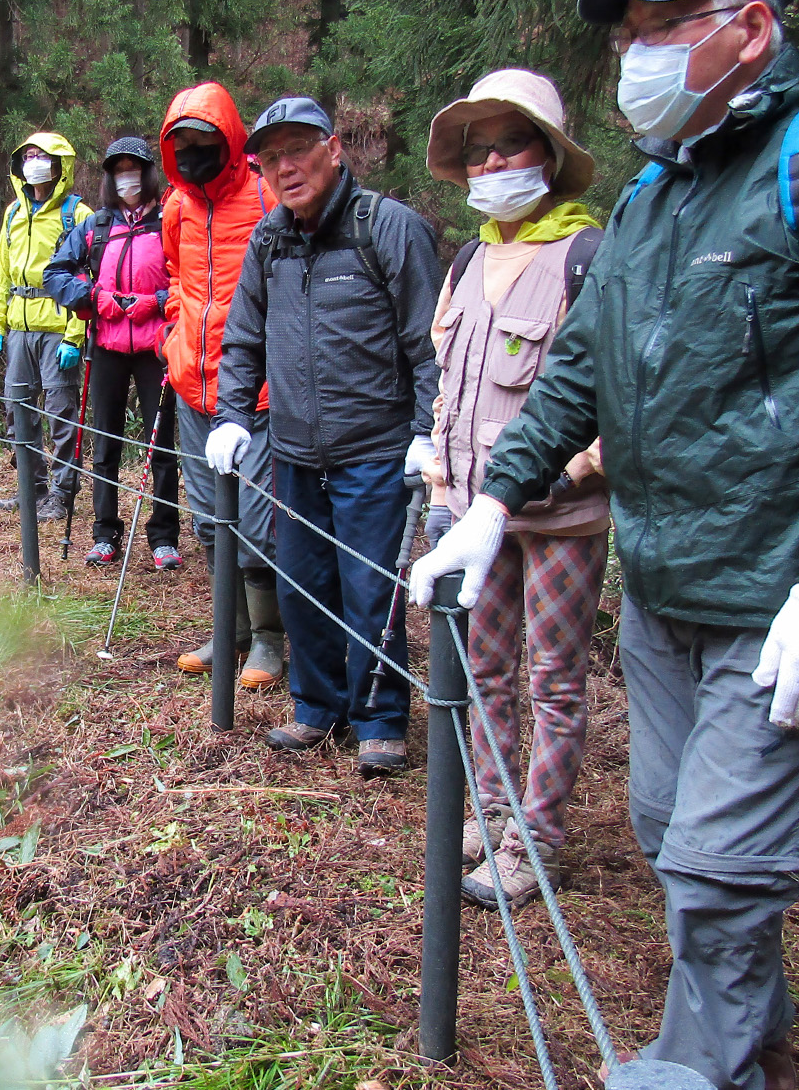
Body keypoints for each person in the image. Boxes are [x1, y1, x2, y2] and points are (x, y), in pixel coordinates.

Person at [411, 0, 799, 1085]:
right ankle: (750, 1021)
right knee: (666, 826)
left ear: (749, 29)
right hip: (663, 586)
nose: (635, 61)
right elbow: (578, 375)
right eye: (628, 40)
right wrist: (496, 500)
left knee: (716, 864)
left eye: (664, 31)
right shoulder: (654, 202)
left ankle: (698, 1066)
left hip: (781, 593)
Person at [420, 69, 609, 909]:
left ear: (550, 155)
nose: (495, 162)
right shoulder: (466, 258)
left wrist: (578, 466)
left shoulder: (586, 255)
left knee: (556, 677)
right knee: (486, 666)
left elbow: (612, 388)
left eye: (513, 144)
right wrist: (436, 469)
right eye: (481, 150)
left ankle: (538, 836)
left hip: (562, 516)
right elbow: (446, 380)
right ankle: (490, 807)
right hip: (475, 512)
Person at [213, 97, 441, 778]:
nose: (286, 168)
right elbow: (243, 337)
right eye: (271, 157)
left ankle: (380, 719)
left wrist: (427, 432)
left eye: (299, 150)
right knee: (302, 582)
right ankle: (317, 706)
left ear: (334, 149)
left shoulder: (387, 228)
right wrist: (231, 413)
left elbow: (428, 343)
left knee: (371, 589)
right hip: (294, 452)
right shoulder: (269, 240)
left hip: (374, 450)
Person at [158, 83, 284, 688]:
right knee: (208, 518)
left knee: (258, 521)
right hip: (192, 386)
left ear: (230, 138)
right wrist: (172, 339)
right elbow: (178, 278)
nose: (191, 153)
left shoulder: (264, 192)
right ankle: (228, 630)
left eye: (203, 141)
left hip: (255, 392)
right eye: (180, 143)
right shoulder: (176, 205)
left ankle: (268, 638)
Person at [43, 136, 181, 568]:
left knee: (160, 444)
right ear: (108, 177)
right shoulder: (95, 226)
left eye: (134, 168)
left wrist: (156, 302)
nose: (127, 177)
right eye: (119, 170)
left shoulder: (168, 221)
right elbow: (55, 272)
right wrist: (91, 297)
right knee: (104, 443)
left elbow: (188, 279)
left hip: (156, 347)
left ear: (147, 173)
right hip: (105, 344)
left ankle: (163, 537)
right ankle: (105, 534)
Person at [0, 132, 95, 522]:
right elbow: (1, 271)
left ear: (58, 164)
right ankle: (31, 489)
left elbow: (87, 278)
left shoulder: (78, 215)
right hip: (19, 326)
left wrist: (74, 336)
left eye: (41, 156)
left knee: (60, 413)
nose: (33, 162)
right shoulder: (14, 213)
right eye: (27, 156)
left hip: (58, 329)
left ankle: (63, 494)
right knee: (18, 411)